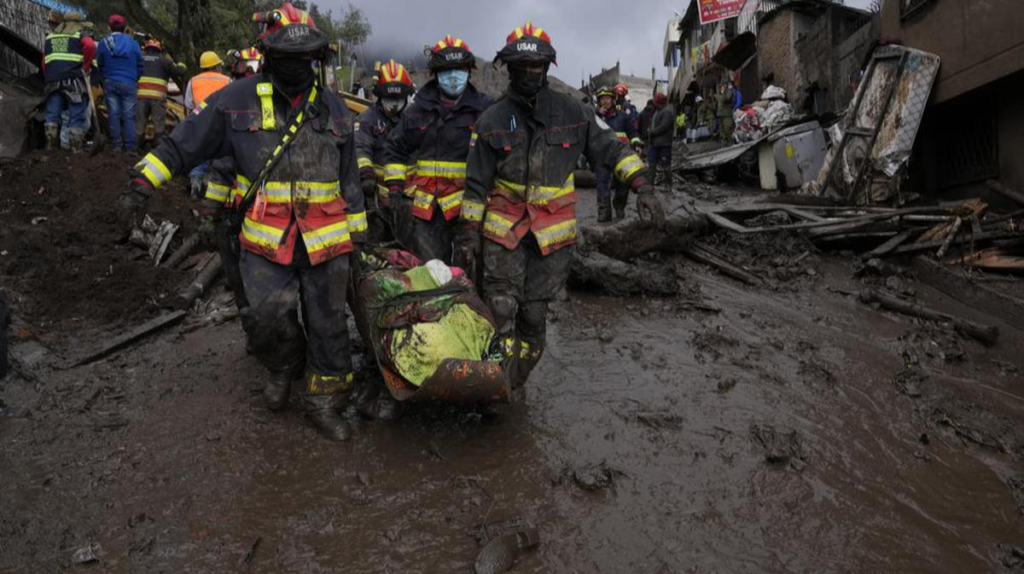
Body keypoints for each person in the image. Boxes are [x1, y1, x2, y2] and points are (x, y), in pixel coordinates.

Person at [119, 3, 367, 441]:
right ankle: (285, 365)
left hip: (327, 243)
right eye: (286, 58)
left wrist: (359, 234)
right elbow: (183, 144)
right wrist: (143, 180)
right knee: (267, 319)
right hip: (266, 243)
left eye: (304, 58)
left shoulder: (334, 107)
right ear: (268, 55)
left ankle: (326, 401)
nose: (296, 67)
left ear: (316, 59)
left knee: (330, 326)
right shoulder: (235, 100)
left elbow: (348, 177)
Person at [458, 21, 664, 388]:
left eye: (536, 67)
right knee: (501, 309)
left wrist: (642, 185)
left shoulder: (574, 112)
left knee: (534, 319)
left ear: (547, 68)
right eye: (521, 68)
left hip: (550, 241)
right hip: (503, 234)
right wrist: (467, 236)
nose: (529, 75)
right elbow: (475, 186)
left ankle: (515, 380)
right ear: (510, 68)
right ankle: (496, 389)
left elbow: (612, 149)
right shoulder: (490, 121)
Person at [382, 35, 491, 264]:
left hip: (468, 210)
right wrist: (394, 189)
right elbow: (394, 148)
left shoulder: (485, 111)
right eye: (446, 70)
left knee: (468, 271)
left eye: (459, 69)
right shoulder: (417, 110)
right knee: (431, 272)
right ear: (435, 73)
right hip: (426, 211)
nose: (453, 76)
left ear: (469, 71)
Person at [355, 59, 415, 245]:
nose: (394, 105)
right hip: (377, 199)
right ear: (379, 96)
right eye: (390, 99)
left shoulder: (417, 120)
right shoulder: (366, 121)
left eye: (398, 99)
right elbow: (360, 147)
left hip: (411, 198)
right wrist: (366, 174)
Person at [41, 10, 95, 152]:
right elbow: (90, 46)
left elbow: (44, 61)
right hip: (73, 81)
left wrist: (50, 74)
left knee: (52, 114)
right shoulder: (80, 35)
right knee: (76, 113)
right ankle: (75, 149)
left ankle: (51, 146)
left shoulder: (50, 37)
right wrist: (86, 66)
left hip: (53, 80)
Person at [183, 51, 231, 197]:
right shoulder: (227, 80)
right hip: (221, 123)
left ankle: (195, 186)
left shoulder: (193, 81)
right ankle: (213, 191)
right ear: (217, 67)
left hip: (200, 122)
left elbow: (188, 105)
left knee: (199, 153)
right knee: (218, 156)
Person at [594, 86, 642, 222]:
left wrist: (637, 144)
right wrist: (596, 113)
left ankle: (619, 206)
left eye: (608, 98)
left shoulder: (623, 117)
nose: (605, 101)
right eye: (602, 99)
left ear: (613, 99)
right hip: (602, 156)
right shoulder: (596, 117)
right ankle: (604, 212)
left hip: (620, 157)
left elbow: (633, 133)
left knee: (622, 184)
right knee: (602, 183)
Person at [96, 14, 143, 152]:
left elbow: (100, 63)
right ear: (125, 27)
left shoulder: (104, 43)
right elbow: (140, 65)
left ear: (110, 27)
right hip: (129, 83)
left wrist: (105, 77)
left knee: (114, 114)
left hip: (110, 82)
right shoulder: (133, 44)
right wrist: (134, 78)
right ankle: (129, 148)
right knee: (129, 116)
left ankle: (117, 145)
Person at [136, 38, 185, 150]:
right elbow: (181, 71)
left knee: (139, 124)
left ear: (146, 48)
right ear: (160, 50)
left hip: (141, 97)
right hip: (157, 98)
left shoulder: (139, 59)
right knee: (159, 125)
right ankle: (158, 149)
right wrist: (181, 63)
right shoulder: (165, 61)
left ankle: (135, 149)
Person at [647, 92, 675, 186]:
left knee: (666, 165)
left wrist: (651, 132)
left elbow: (664, 126)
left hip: (664, 144)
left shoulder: (667, 112)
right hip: (654, 143)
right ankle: (649, 185)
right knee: (652, 165)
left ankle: (668, 185)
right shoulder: (657, 111)